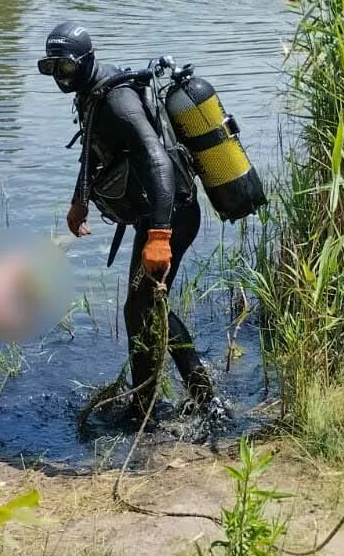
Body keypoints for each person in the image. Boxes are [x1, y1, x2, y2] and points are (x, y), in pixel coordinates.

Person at [38, 21, 217, 421]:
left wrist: (159, 235)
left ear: (85, 61)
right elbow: (96, 152)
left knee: (139, 309)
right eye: (51, 69)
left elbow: (158, 161)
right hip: (154, 214)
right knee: (147, 306)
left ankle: (146, 407)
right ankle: (197, 391)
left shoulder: (117, 100)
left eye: (65, 67)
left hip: (172, 214)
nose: (60, 78)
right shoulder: (92, 93)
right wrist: (78, 200)